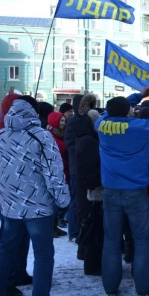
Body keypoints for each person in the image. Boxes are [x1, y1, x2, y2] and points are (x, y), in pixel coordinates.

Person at [0, 97, 70, 296]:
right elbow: (54, 174)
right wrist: (63, 201)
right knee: (43, 255)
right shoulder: (42, 137)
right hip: (38, 208)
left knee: (5, 249)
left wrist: (2, 199)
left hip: (10, 207)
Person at [95, 83, 149, 296]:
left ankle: (110, 287)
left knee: (111, 241)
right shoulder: (141, 128)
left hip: (110, 191)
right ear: (127, 110)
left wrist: (138, 95)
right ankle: (143, 287)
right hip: (136, 191)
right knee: (143, 240)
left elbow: (112, 110)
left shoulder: (101, 124)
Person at [0, 93, 31, 285]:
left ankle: (18, 271)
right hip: (9, 198)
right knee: (9, 241)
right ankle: (5, 280)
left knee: (21, 239)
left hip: (18, 196)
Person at [76, 109, 104, 276]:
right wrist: (97, 184)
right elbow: (91, 169)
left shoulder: (84, 139)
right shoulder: (89, 142)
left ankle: (90, 262)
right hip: (92, 193)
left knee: (91, 228)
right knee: (93, 229)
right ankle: (93, 265)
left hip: (87, 190)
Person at [64, 95, 93, 242]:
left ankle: (83, 229)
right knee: (76, 200)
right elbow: (71, 146)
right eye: (85, 104)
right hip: (77, 167)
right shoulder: (73, 123)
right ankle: (74, 232)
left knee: (86, 201)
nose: (87, 107)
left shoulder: (89, 121)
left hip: (88, 167)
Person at [47, 112, 70, 237]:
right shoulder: (50, 136)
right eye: (60, 121)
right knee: (54, 202)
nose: (63, 123)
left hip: (64, 170)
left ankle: (54, 225)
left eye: (63, 121)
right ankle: (51, 227)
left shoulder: (61, 135)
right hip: (55, 172)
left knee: (60, 201)